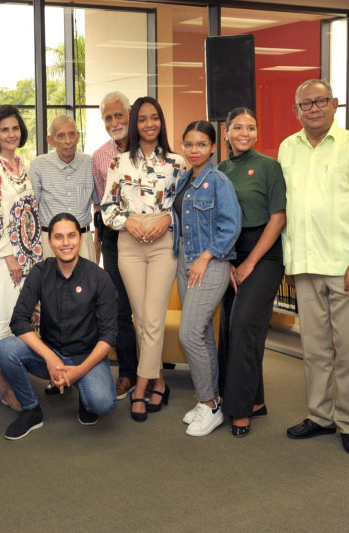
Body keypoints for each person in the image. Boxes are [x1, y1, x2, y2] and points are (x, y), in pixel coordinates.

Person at [279, 79, 349, 455]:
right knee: (315, 350)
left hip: (347, 268)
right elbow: (287, 209)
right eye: (306, 104)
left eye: (321, 101)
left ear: (334, 104)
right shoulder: (288, 149)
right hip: (305, 267)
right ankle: (320, 416)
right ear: (297, 111)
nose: (314, 108)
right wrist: (290, 260)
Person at [100, 96, 185, 422]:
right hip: (130, 243)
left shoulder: (176, 163)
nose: (149, 124)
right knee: (140, 316)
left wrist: (169, 220)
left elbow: (181, 206)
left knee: (152, 317)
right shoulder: (119, 163)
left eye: (155, 118)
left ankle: (140, 386)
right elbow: (108, 207)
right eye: (143, 119)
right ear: (135, 125)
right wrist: (129, 222)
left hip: (163, 243)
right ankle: (159, 381)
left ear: (161, 123)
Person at [0, 213, 118, 439]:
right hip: (50, 355)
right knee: (6, 348)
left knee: (101, 404)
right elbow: (19, 320)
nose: (66, 243)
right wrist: (51, 359)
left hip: (86, 357)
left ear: (81, 239)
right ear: (50, 241)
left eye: (71, 236)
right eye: (59, 237)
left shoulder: (99, 278)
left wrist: (79, 372)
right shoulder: (40, 272)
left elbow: (110, 335)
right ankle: (31, 410)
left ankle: (83, 391)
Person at [216, 107, 286, 437]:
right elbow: (217, 218)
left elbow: (278, 218)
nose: (245, 132)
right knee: (231, 327)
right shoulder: (221, 169)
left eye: (251, 127)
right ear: (226, 132)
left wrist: (249, 262)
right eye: (238, 127)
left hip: (264, 253)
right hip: (230, 251)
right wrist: (229, 260)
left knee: (245, 323)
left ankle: (239, 408)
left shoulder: (270, 167)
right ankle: (254, 399)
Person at [173, 120, 242, 437]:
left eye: (201, 144)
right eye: (189, 144)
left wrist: (205, 257)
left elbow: (231, 227)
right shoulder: (185, 178)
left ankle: (209, 405)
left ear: (213, 147)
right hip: (185, 263)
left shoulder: (218, 181)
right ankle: (210, 401)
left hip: (209, 263)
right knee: (199, 334)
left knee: (188, 334)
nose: (194, 150)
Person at [0, 105, 43, 411]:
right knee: (3, 314)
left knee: (20, 314)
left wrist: (29, 254)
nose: (11, 134)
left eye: (15, 128)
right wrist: (8, 256)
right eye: (4, 129)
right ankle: (4, 385)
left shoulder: (21, 164)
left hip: (25, 254)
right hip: (2, 256)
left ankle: (7, 382)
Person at [92, 91, 138, 400]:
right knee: (119, 307)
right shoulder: (99, 157)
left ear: (130, 113)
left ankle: (153, 374)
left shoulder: (149, 148)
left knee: (146, 309)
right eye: (108, 118)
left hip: (148, 235)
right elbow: (101, 205)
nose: (114, 122)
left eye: (119, 115)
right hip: (113, 237)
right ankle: (128, 373)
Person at [30, 115, 97, 261]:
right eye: (61, 136)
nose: (68, 141)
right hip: (51, 242)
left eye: (72, 134)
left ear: (78, 137)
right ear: (51, 141)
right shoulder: (38, 166)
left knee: (86, 284)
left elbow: (98, 203)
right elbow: (32, 208)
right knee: (50, 284)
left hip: (83, 241)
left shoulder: (90, 163)